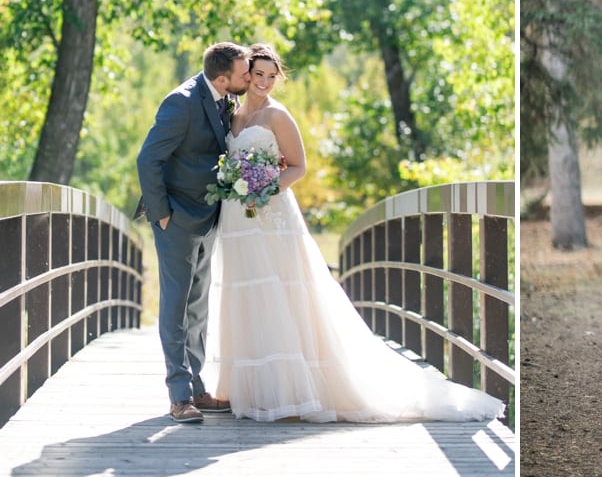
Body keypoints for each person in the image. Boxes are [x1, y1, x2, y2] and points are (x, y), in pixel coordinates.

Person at [205, 44, 504, 423]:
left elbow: (298, 166)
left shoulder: (278, 115)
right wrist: (236, 183)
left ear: (278, 77)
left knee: (282, 292)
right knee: (246, 292)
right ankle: (250, 389)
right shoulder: (233, 115)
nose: (263, 82)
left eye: (270, 75)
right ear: (245, 75)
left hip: (272, 215)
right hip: (238, 219)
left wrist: (266, 189)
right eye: (257, 74)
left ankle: (296, 390)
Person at [136, 42, 251, 423]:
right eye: (244, 73)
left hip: (208, 216)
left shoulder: (223, 99)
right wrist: (162, 214)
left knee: (198, 304)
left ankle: (198, 388)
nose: (249, 77)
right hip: (177, 219)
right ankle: (178, 396)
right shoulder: (181, 103)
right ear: (223, 78)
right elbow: (148, 159)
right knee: (175, 307)